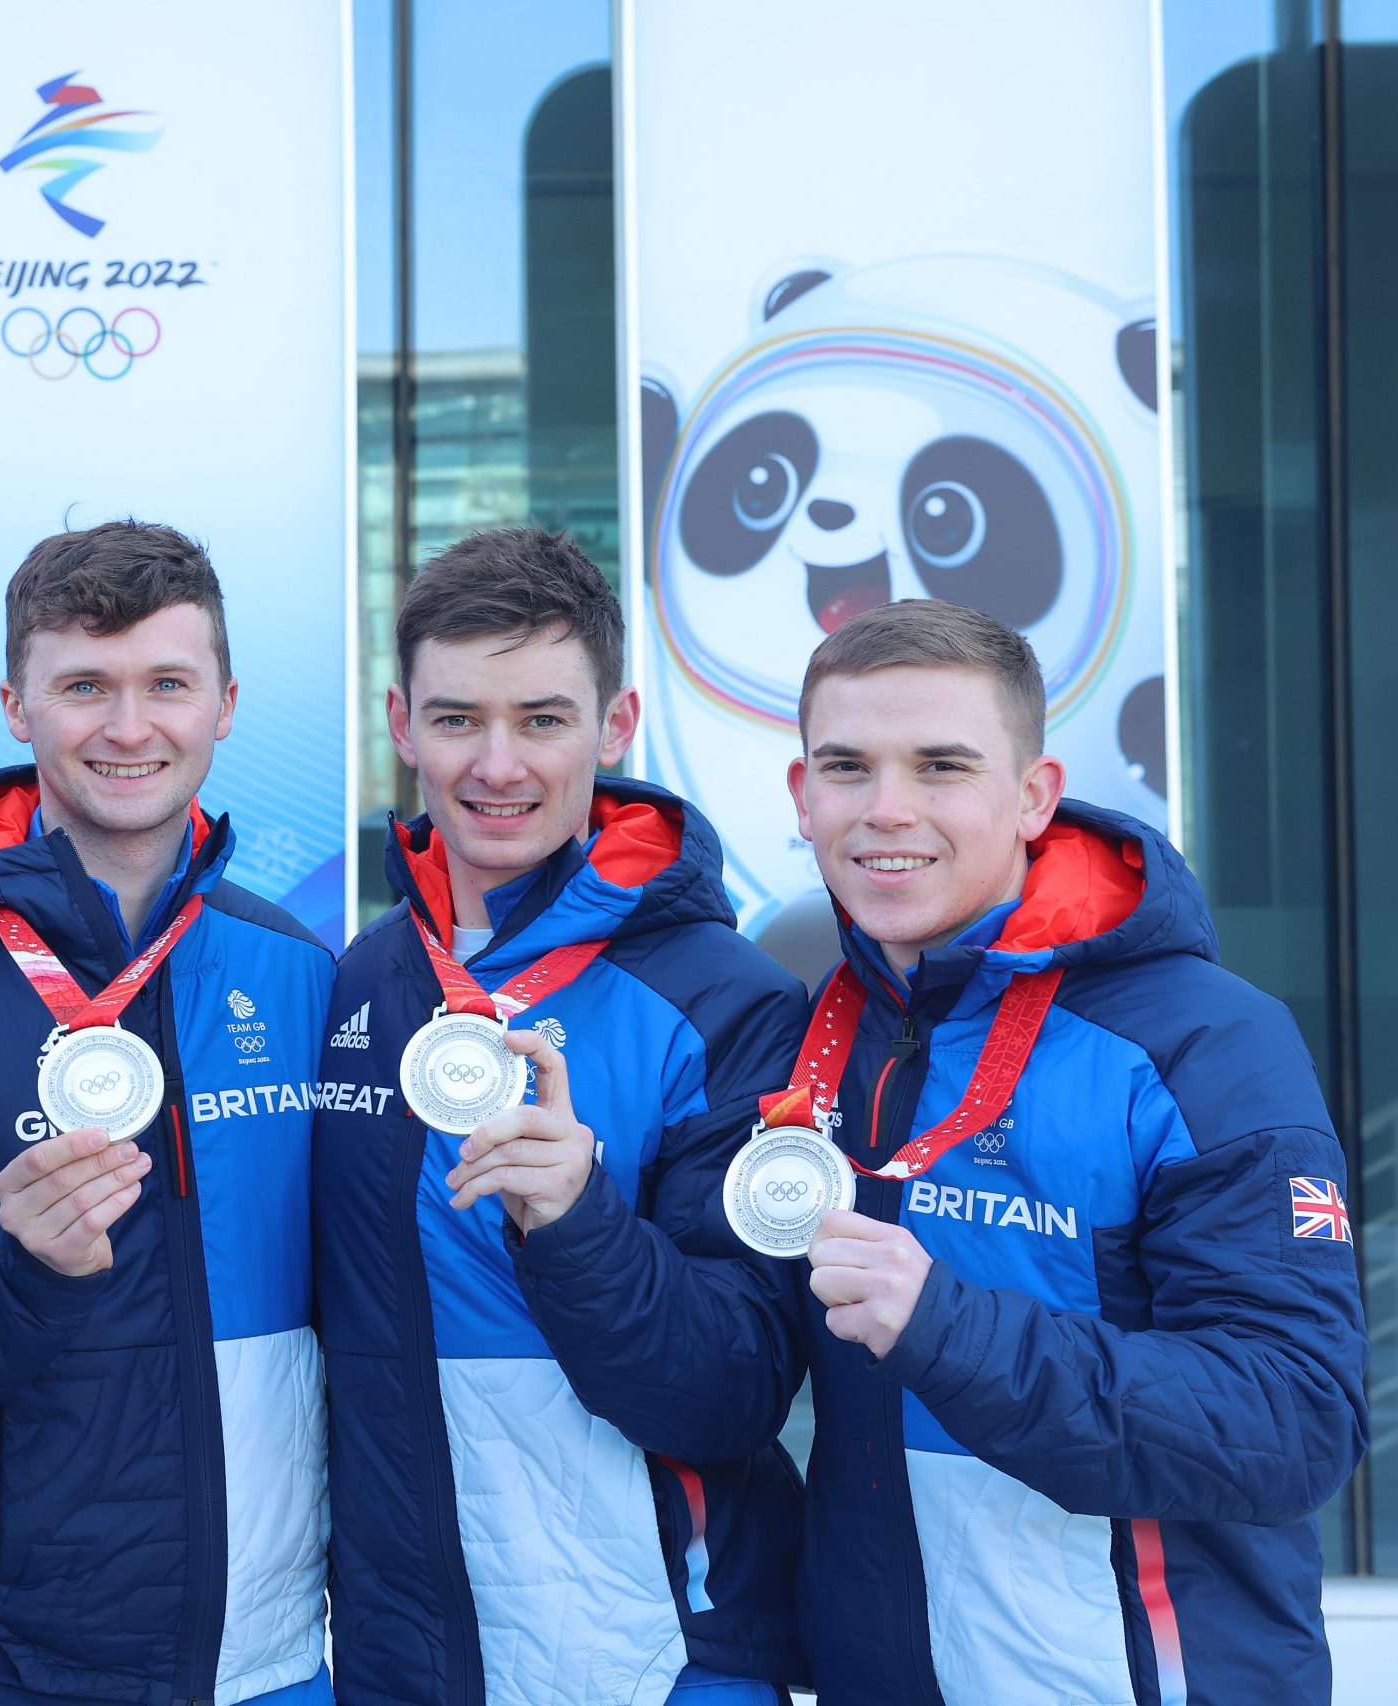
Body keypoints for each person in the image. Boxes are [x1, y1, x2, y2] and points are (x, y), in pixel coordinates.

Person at [784, 599, 1366, 1703]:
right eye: (847, 766)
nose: (887, 809)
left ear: (1033, 796)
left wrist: (950, 1326)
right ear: (801, 795)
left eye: (942, 765)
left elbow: (1295, 1419)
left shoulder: (1204, 1040)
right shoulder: (830, 1025)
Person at [0, 522, 335, 1705]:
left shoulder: (296, 965)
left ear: (228, 703)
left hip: (276, 1651)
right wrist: (19, 1268)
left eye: (166, 685)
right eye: (83, 685)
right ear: (14, 703)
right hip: (11, 1659)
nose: (129, 727)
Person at [313, 528, 809, 1705]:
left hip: (660, 1653)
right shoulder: (364, 976)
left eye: (542, 718)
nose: (496, 763)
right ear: (399, 723)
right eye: (455, 719)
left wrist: (581, 1220)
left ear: (616, 722)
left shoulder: (726, 999)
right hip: (409, 1658)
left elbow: (733, 1390)